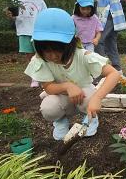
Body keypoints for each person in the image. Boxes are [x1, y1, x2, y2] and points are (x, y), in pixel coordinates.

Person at [24, 8, 120, 141]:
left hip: (84, 96)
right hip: (61, 97)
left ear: (70, 43)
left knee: (88, 98)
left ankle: (90, 119)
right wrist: (68, 86)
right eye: (46, 50)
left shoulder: (83, 56)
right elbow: (48, 87)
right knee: (48, 108)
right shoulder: (41, 60)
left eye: (58, 50)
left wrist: (97, 98)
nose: (52, 56)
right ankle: (60, 121)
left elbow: (113, 74)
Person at [5, 0, 47, 88]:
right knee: (29, 55)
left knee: (40, 55)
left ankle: (43, 77)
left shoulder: (40, 2)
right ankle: (34, 77)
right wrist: (10, 15)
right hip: (23, 32)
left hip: (37, 33)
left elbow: (45, 16)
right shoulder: (18, 0)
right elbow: (13, 15)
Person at [93, 0, 126, 74]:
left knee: (98, 40)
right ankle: (117, 70)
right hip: (103, 13)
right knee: (110, 42)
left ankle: (102, 69)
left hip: (110, 12)